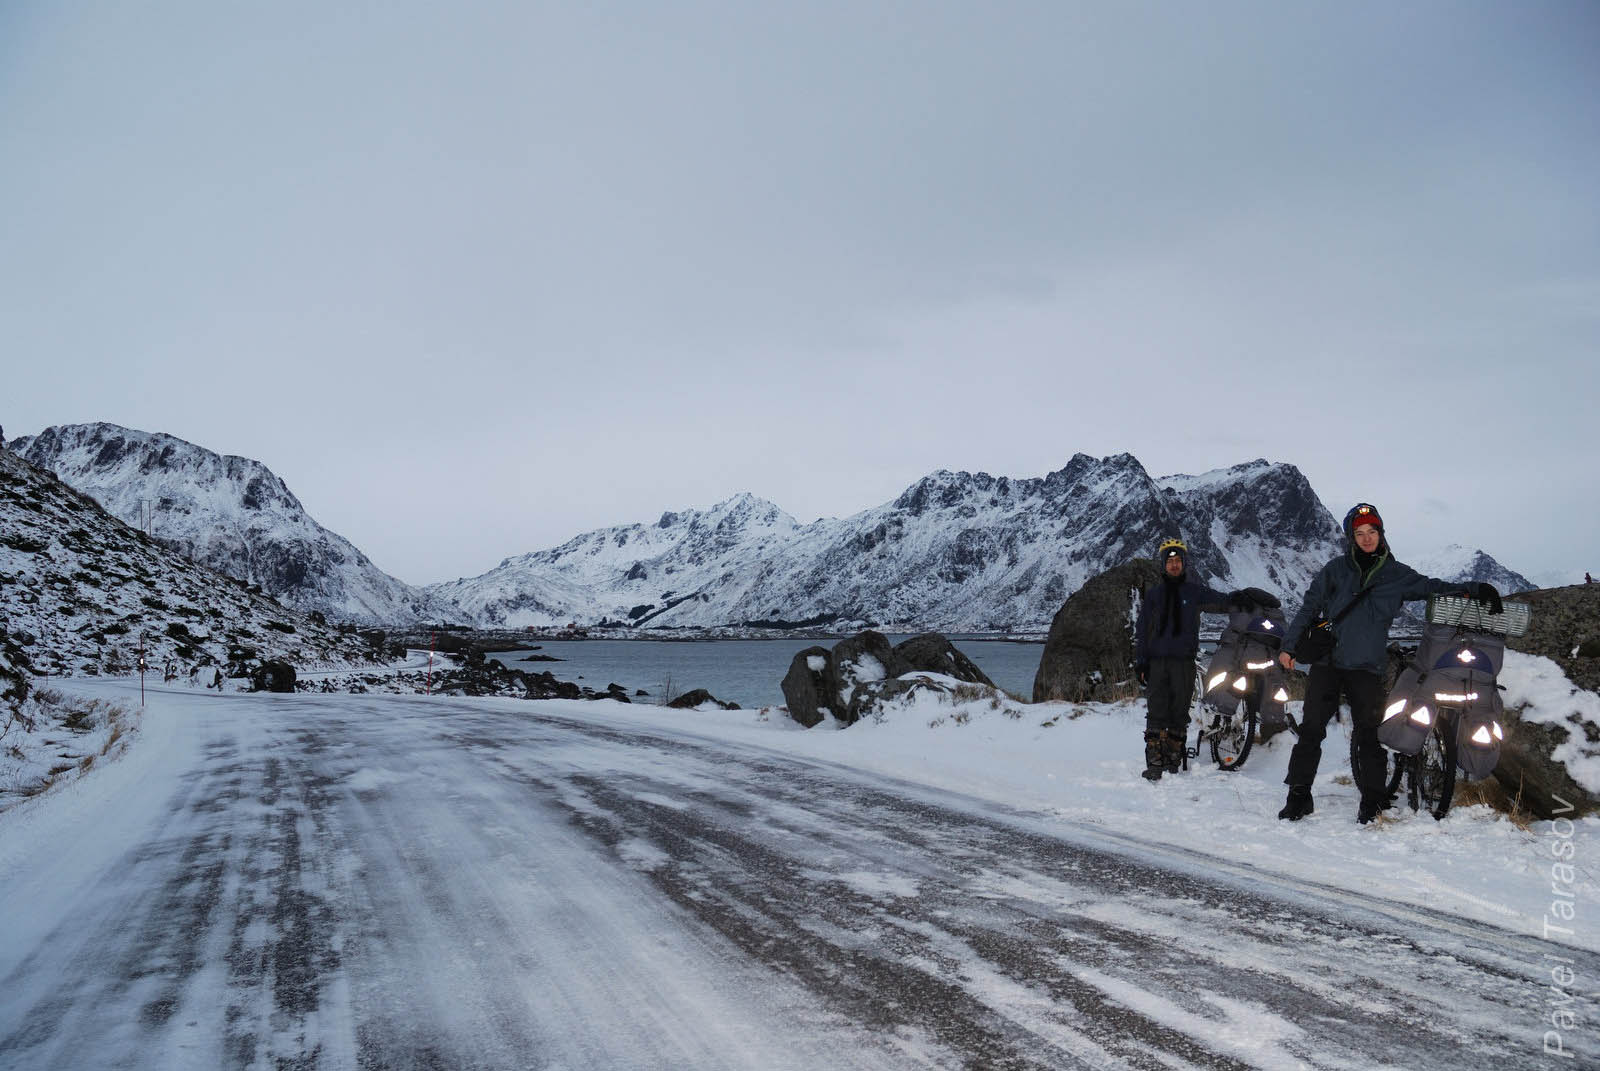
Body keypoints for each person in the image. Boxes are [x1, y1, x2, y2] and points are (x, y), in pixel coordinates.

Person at [1276, 503, 1502, 824]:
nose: (1366, 538)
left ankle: (1372, 800)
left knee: (1370, 734)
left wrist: (1475, 589)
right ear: (1351, 538)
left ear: (1381, 534)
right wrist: (1288, 647)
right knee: (1311, 731)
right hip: (1328, 664)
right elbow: (1307, 610)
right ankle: (1299, 795)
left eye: (1372, 532)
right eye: (1359, 533)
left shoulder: (1397, 576)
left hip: (1367, 668)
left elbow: (1432, 588)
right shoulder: (1335, 570)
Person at [1135, 537, 1276, 781]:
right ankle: (1155, 762)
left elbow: (1221, 600)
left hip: (1184, 662)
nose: (1174, 565)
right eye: (1170, 562)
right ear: (1163, 565)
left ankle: (1173, 759)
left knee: (1179, 711)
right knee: (1156, 710)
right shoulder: (1154, 596)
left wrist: (1241, 597)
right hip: (1157, 661)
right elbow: (1142, 630)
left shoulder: (1194, 591)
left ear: (1184, 563)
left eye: (1178, 561)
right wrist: (1141, 662)